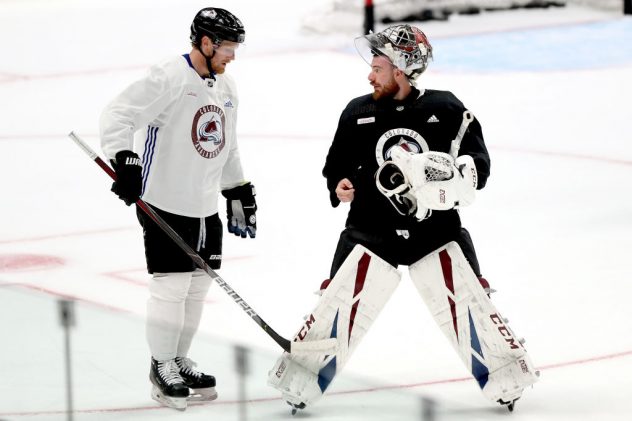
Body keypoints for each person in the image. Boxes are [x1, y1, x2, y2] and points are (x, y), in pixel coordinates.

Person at [268, 24, 537, 413]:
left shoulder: (446, 108)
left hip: (436, 232)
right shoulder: (357, 111)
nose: (369, 74)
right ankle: (301, 381)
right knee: (336, 302)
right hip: (369, 232)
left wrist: (461, 175)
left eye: (377, 66)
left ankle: (505, 377)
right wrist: (338, 183)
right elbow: (334, 166)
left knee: (471, 301)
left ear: (400, 70)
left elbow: (479, 164)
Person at [99, 7, 257, 411]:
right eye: (227, 48)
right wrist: (125, 159)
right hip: (165, 202)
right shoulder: (170, 75)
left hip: (205, 206)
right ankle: (161, 365)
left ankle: (179, 361)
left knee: (196, 290)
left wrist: (237, 188)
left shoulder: (227, 87)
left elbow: (227, 143)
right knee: (170, 287)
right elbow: (118, 114)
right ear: (205, 42)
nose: (232, 56)